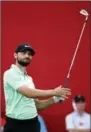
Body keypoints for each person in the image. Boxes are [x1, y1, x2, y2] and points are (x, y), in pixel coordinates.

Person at [3, 43, 71, 132]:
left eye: (29, 54)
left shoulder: (29, 79)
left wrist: (55, 99)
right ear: (15, 55)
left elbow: (37, 106)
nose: (27, 55)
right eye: (24, 53)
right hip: (16, 125)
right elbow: (28, 93)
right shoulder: (10, 73)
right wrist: (54, 92)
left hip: (33, 124)